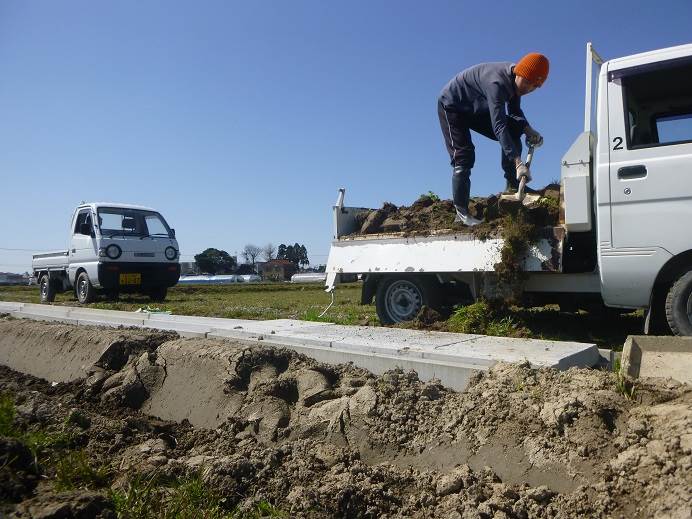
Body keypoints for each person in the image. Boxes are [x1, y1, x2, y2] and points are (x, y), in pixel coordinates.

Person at [437, 53, 549, 226]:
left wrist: (528, 129)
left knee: (515, 129)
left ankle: (513, 186)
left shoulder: (517, 84)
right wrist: (519, 163)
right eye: (527, 82)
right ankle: (461, 214)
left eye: (534, 86)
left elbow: (514, 113)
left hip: (475, 105)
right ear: (519, 73)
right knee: (464, 156)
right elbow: (499, 126)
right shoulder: (497, 82)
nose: (528, 88)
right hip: (453, 106)